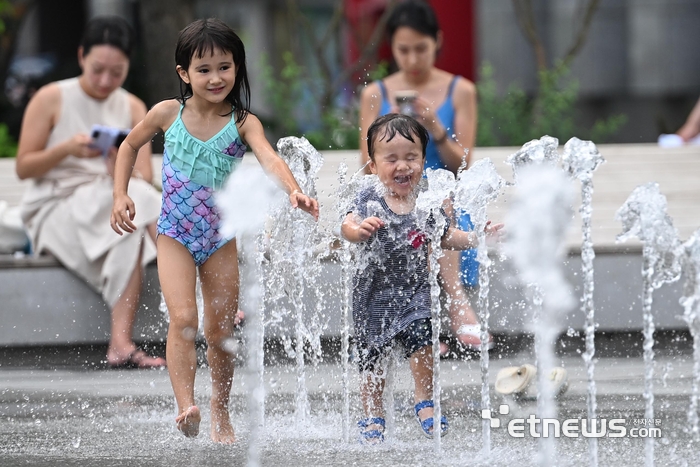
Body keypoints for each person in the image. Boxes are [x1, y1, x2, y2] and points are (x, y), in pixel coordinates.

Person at [110, 18, 318, 444]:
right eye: (203, 69)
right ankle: (187, 406)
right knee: (184, 318)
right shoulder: (167, 113)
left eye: (225, 67)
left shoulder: (243, 122)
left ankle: (221, 411)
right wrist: (120, 194)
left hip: (221, 237)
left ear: (237, 69)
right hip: (174, 234)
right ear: (184, 74)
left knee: (220, 331)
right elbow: (129, 145)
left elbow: (269, 159)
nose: (215, 77)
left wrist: (294, 190)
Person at [15, 16, 166, 369]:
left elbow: (142, 175)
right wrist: (65, 150)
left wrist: (117, 163)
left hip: (109, 201)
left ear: (128, 67)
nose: (104, 81)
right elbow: (24, 167)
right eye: (98, 69)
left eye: (116, 73)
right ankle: (203, 295)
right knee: (141, 204)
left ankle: (120, 346)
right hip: (56, 205)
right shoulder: (52, 97)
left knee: (130, 227)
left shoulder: (132, 107)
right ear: (82, 56)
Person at [342, 113, 502, 443]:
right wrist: (358, 231)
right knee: (373, 357)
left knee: (424, 340)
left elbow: (445, 236)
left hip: (415, 292)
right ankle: (373, 414)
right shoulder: (368, 199)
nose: (403, 166)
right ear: (373, 166)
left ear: (423, 161)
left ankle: (424, 400)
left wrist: (474, 237)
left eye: (411, 157)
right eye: (392, 158)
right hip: (373, 295)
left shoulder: (426, 203)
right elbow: (346, 226)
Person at [358, 0, 488, 355]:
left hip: (441, 195)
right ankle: (441, 317)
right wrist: (393, 133)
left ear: (437, 42)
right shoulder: (377, 94)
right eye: (403, 50)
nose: (412, 60)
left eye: (421, 49)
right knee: (421, 203)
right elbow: (366, 163)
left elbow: (461, 164)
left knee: (433, 197)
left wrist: (434, 129)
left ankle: (438, 314)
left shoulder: (460, 90)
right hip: (392, 195)